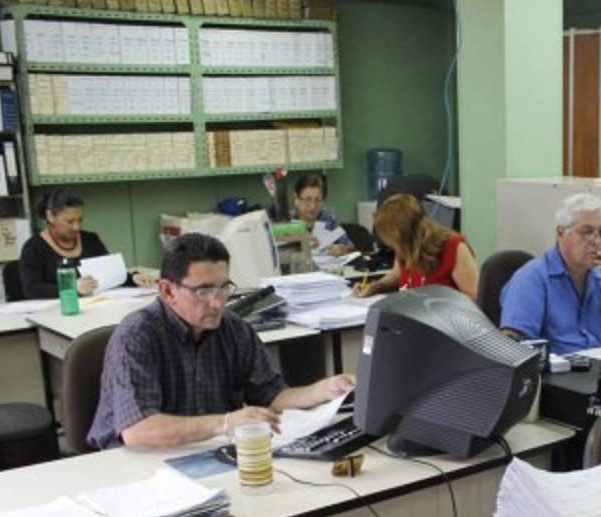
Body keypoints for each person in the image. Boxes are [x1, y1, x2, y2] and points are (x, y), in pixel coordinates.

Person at [87, 233, 355, 449]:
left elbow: (272, 396)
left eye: (223, 288)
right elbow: (138, 431)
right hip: (134, 464)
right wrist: (225, 423)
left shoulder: (234, 329)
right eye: (203, 291)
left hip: (207, 452)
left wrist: (322, 391)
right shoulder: (137, 336)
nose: (217, 303)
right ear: (168, 291)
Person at [498, 193, 601, 355]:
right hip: (558, 369)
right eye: (587, 232)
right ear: (561, 233)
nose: (597, 241)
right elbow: (512, 346)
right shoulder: (531, 279)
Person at [18, 188, 155, 299]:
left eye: (80, 220)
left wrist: (134, 278)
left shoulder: (91, 239)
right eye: (70, 221)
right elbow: (32, 289)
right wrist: (73, 288)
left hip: (96, 307)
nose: (76, 227)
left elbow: (110, 273)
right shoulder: (34, 248)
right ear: (50, 216)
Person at [352, 193, 478, 299]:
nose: (394, 248)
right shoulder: (405, 249)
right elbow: (396, 275)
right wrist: (375, 287)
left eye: (394, 242)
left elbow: (473, 297)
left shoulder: (454, 247)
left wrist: (436, 306)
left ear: (407, 236)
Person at [293, 173, 354, 256]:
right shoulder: (286, 221)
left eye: (317, 200)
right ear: (296, 199)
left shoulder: (328, 219)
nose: (313, 206)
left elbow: (350, 246)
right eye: (307, 199)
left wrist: (343, 249)